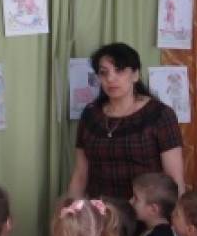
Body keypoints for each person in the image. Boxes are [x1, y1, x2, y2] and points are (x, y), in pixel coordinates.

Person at [66, 42, 184, 201]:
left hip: (144, 210)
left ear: (135, 75)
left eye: (119, 70)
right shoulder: (90, 114)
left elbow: (174, 179)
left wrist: (175, 215)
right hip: (99, 209)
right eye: (103, 72)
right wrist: (72, 209)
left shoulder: (160, 115)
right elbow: (80, 174)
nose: (110, 78)